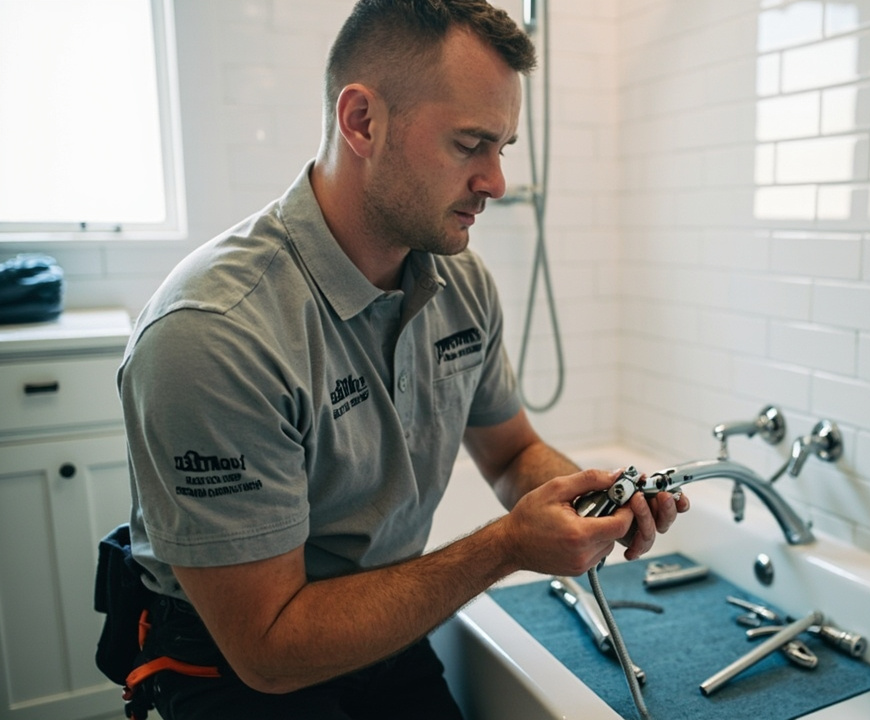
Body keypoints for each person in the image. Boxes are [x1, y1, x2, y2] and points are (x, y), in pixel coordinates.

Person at [115, 1, 688, 717]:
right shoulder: (213, 335)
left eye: (503, 147)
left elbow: (511, 455)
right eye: (470, 143)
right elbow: (267, 648)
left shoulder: (459, 280)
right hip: (235, 671)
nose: (496, 182)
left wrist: (595, 498)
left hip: (387, 633)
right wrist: (507, 545)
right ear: (362, 122)